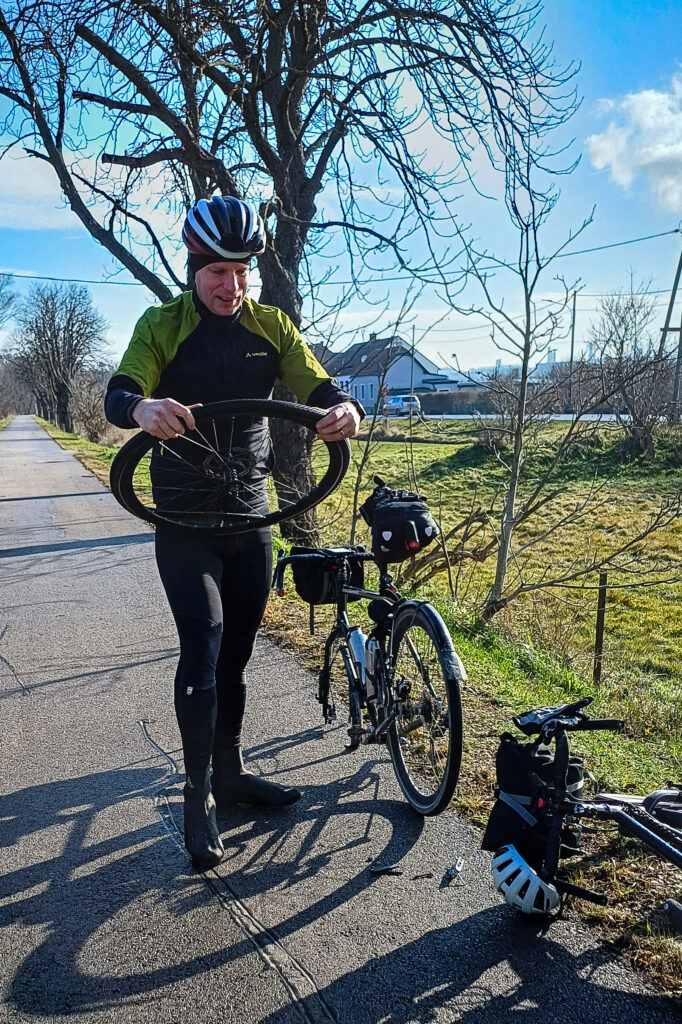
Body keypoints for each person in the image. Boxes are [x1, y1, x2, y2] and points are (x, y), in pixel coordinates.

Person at [105, 196, 363, 869]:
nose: (232, 284)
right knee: (204, 644)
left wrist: (342, 408)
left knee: (239, 654)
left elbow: (319, 386)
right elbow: (118, 392)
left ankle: (232, 772)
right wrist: (143, 406)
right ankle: (198, 797)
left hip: (254, 512)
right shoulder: (163, 324)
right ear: (194, 267)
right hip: (185, 516)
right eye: (219, 271)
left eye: (242, 270)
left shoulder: (272, 324)